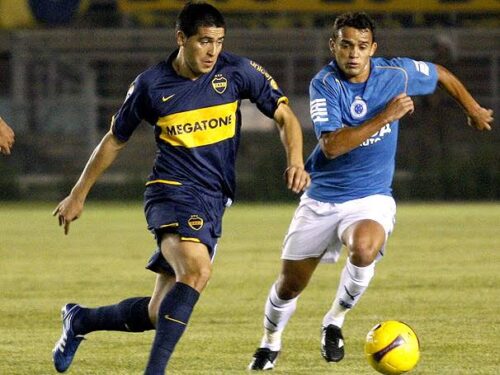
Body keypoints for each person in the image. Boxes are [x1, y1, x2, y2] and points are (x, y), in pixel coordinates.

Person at [51, 2, 310, 374]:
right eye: (204, 41)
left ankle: (80, 320)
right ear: (181, 39)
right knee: (196, 272)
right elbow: (114, 139)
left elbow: (285, 116)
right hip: (170, 191)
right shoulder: (151, 85)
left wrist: (295, 160)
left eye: (219, 42)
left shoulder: (236, 71)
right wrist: (78, 193)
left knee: (160, 312)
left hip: (213, 200)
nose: (212, 51)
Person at [248, 11, 493, 371]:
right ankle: (270, 343)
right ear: (334, 46)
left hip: (370, 196)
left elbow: (440, 74)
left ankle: (334, 320)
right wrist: (385, 116)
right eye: (346, 45)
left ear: (372, 49)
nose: (353, 53)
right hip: (322, 198)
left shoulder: (395, 74)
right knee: (289, 286)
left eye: (362, 46)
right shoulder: (325, 84)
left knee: (364, 248)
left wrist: (472, 109)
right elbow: (332, 145)